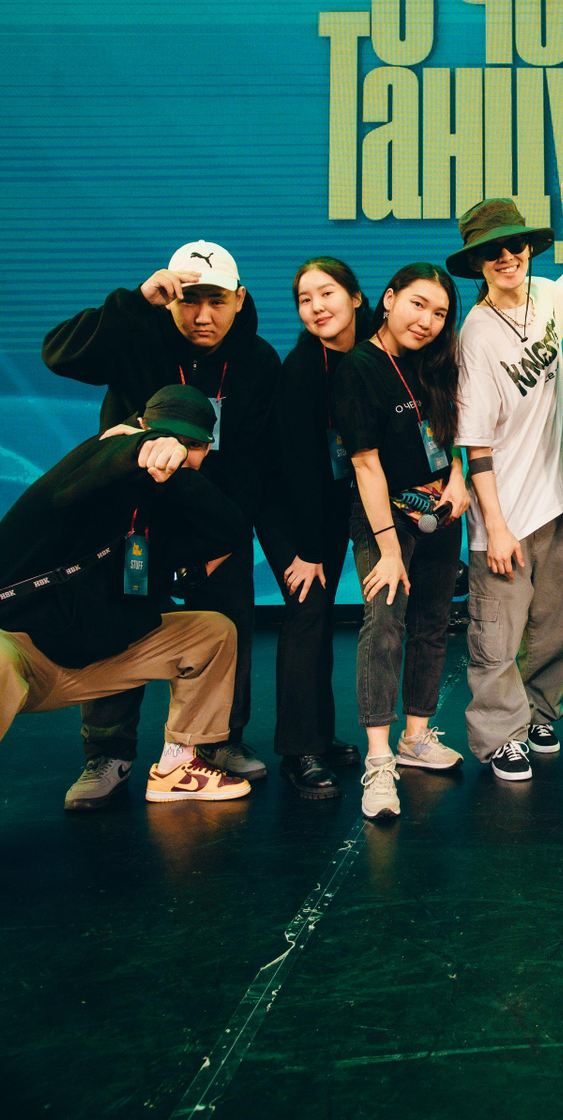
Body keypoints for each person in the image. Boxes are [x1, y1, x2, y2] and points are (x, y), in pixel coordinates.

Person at [0, 387, 251, 929]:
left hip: (102, 661)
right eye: (161, 436)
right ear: (137, 428)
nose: (173, 449)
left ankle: (177, 764)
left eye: (191, 445)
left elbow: (231, 529)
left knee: (212, 631)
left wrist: (178, 474)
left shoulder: (164, 512)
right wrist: (129, 448)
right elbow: (66, 489)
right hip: (23, 656)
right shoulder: (83, 474)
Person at [41, 241, 305, 808]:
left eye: (216, 302)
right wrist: (136, 302)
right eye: (189, 301)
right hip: (131, 525)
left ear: (240, 299)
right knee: (117, 628)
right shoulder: (137, 335)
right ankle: (108, 753)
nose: (202, 316)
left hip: (212, 522)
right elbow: (59, 355)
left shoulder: (259, 361)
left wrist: (227, 535)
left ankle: (215, 742)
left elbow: (256, 459)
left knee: (227, 627)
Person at [451, 186, 563, 781]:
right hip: (504, 512)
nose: (507, 257)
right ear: (478, 264)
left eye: (515, 246)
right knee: (497, 633)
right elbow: (476, 446)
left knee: (557, 623)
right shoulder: (476, 335)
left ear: (529, 250)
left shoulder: (544, 297)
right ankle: (500, 736)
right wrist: (497, 526)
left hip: (554, 500)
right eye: (493, 252)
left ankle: (538, 713)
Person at [335, 264, 472, 818]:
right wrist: (390, 550)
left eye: (439, 313)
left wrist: (458, 476)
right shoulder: (358, 367)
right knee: (385, 623)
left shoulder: (434, 362)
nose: (427, 321)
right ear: (389, 299)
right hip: (385, 514)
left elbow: (451, 430)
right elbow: (365, 465)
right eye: (418, 305)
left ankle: (416, 737)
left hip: (441, 508)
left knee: (433, 623)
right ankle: (378, 759)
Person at [255, 258, 378, 799]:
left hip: (329, 501)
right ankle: (298, 752)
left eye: (326, 293)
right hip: (287, 507)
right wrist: (307, 550)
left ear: (356, 297)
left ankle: (321, 736)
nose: (316, 307)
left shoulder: (373, 349)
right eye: (305, 300)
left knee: (323, 613)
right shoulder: (302, 369)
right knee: (307, 611)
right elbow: (301, 466)